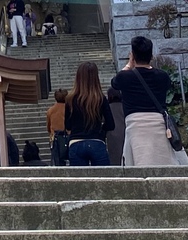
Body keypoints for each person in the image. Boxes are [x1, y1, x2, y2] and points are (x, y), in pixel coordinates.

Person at [110, 35, 178, 166]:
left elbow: (114, 83)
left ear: (133, 55)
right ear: (151, 56)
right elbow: (168, 86)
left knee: (138, 162)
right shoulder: (162, 76)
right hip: (158, 124)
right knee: (163, 162)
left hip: (135, 125)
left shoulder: (125, 77)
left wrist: (129, 65)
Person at [63, 60, 114, 166]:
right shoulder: (101, 98)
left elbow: (67, 125)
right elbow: (111, 124)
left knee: (79, 176)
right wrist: (100, 129)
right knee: (104, 175)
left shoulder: (70, 99)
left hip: (76, 142)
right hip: (97, 141)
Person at [45, 88, 68, 166]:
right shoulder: (69, 109)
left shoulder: (50, 111)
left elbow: (48, 127)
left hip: (55, 137)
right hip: (67, 136)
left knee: (57, 160)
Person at [105, 86, 127, 166]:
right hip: (124, 132)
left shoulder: (108, 107)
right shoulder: (124, 106)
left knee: (114, 157)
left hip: (111, 134)